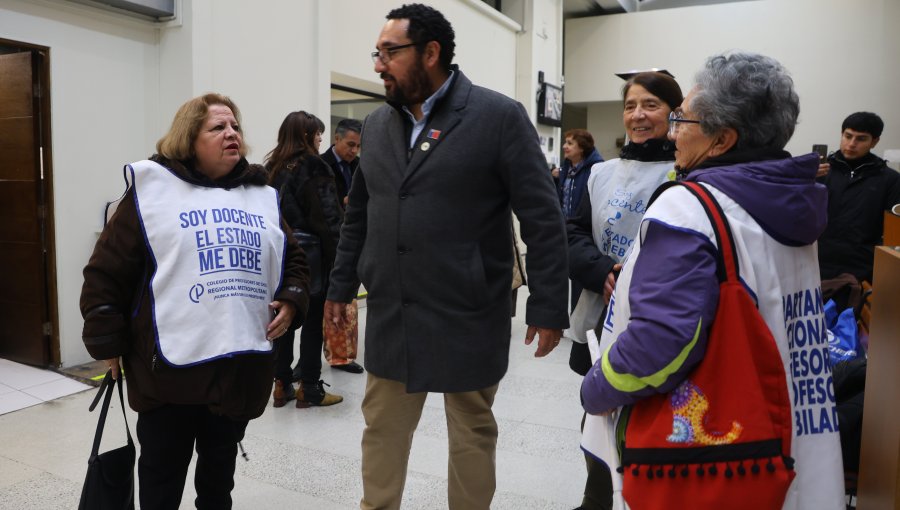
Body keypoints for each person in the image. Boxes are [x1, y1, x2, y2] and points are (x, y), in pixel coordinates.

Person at [324, 4, 569, 509]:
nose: (378, 64)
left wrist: (547, 305)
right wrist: (341, 287)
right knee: (382, 429)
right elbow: (360, 216)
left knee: (473, 430)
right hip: (394, 308)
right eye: (378, 52)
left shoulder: (497, 117)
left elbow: (542, 218)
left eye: (390, 52)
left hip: (469, 306)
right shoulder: (376, 126)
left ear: (430, 53)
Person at [581, 52, 844, 509]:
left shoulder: (689, 208)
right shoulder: (790, 200)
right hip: (789, 431)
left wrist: (595, 387)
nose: (674, 130)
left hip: (713, 458)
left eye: (682, 117)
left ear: (721, 140)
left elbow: (659, 342)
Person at [80, 93, 310, 509]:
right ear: (189, 138)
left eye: (235, 126)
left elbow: (293, 259)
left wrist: (292, 300)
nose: (231, 134)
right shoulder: (152, 192)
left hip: (236, 373)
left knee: (218, 484)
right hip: (168, 375)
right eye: (218, 127)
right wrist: (107, 342)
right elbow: (106, 272)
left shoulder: (260, 196)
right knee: (161, 484)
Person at [566, 71, 683, 510]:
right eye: (631, 105)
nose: (638, 114)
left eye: (651, 105)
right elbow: (573, 233)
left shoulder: (687, 172)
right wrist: (601, 271)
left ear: (674, 114)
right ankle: (596, 498)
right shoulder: (602, 173)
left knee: (653, 414)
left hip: (657, 319)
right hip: (599, 313)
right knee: (596, 406)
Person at [266, 111, 345, 407]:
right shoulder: (314, 166)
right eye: (317, 133)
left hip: (278, 255)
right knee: (313, 322)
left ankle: (281, 384)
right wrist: (339, 260)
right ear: (305, 136)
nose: (320, 138)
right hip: (311, 255)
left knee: (283, 317)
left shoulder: (271, 167)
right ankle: (310, 387)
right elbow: (328, 218)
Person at [816, 111, 900, 283]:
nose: (851, 144)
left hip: (863, 270)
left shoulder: (890, 179)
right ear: (842, 134)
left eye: (861, 139)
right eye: (848, 136)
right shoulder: (820, 172)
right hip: (817, 263)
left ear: (874, 141)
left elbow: (892, 233)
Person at [559, 129, 603, 219]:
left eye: (569, 143)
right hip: (563, 225)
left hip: (582, 228)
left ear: (582, 148)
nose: (564, 146)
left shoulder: (596, 169)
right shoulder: (564, 168)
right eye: (565, 143)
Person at [322, 118, 362, 209]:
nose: (355, 150)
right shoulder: (319, 164)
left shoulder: (361, 165)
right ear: (337, 139)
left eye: (359, 146)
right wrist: (342, 201)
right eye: (351, 144)